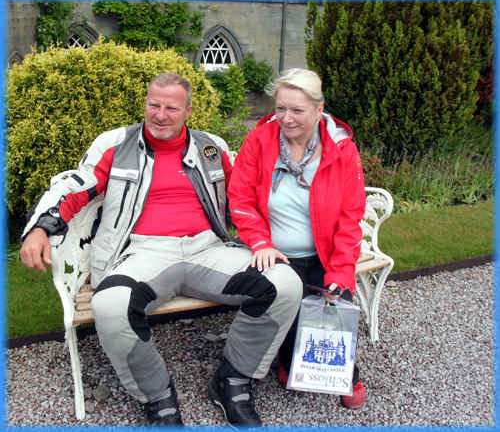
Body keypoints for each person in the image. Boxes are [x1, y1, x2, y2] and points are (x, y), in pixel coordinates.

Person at [19, 72, 303, 427]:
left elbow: (248, 190)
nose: (160, 114)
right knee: (110, 305)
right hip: (143, 253)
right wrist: (40, 229)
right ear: (146, 103)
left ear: (187, 111)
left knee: (285, 284)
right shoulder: (116, 143)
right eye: (154, 104)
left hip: (208, 249)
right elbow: (78, 186)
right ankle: (157, 395)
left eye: (171, 107)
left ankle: (233, 379)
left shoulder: (210, 147)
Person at [227, 68, 367, 409]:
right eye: (280, 109)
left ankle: (341, 371)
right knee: (287, 301)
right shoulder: (259, 141)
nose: (286, 119)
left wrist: (341, 271)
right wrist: (260, 242)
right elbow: (240, 198)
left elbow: (351, 216)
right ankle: (289, 361)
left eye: (297, 111)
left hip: (325, 252)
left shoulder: (342, 150)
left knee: (332, 306)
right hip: (275, 254)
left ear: (319, 109)